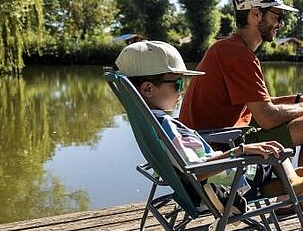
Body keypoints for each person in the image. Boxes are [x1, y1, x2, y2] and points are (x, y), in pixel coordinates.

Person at [180, 0, 303, 231]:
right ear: (255, 14)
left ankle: (287, 199)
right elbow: (267, 116)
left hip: (212, 143)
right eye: (277, 15)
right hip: (217, 153)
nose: (281, 23)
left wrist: (297, 100)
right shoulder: (237, 54)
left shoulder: (227, 48)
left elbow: (255, 103)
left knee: (295, 120)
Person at [114, 40, 290, 212]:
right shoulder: (167, 127)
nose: (182, 90)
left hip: (206, 182)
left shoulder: (150, 123)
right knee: (277, 155)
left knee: (270, 161)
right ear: (148, 89)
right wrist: (241, 151)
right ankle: (296, 188)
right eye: (178, 84)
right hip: (223, 185)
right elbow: (197, 171)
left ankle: (294, 185)